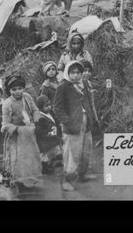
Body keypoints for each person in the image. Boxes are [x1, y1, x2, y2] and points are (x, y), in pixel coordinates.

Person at [54, 61, 96, 191]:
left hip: (85, 121)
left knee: (85, 150)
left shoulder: (83, 84)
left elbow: (88, 101)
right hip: (72, 125)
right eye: (73, 72)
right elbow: (57, 108)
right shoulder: (63, 86)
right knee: (72, 154)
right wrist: (68, 122)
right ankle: (68, 179)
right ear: (68, 72)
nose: (76, 75)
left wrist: (92, 118)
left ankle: (82, 175)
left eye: (79, 72)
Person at [2, 74, 42, 189]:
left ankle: (29, 180)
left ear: (23, 88)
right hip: (16, 136)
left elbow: (35, 110)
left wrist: (36, 120)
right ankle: (17, 182)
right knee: (17, 159)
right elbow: (5, 124)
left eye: (20, 88)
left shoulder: (27, 97)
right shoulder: (8, 103)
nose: (17, 92)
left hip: (29, 134)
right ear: (9, 90)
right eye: (14, 89)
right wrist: (18, 130)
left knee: (30, 157)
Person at [35, 95, 62, 174]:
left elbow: (55, 121)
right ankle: (45, 168)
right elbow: (38, 131)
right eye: (46, 106)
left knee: (54, 150)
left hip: (53, 137)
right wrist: (47, 133)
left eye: (49, 105)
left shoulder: (51, 113)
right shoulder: (40, 117)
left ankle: (54, 163)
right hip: (45, 140)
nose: (49, 107)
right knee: (45, 155)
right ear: (40, 107)